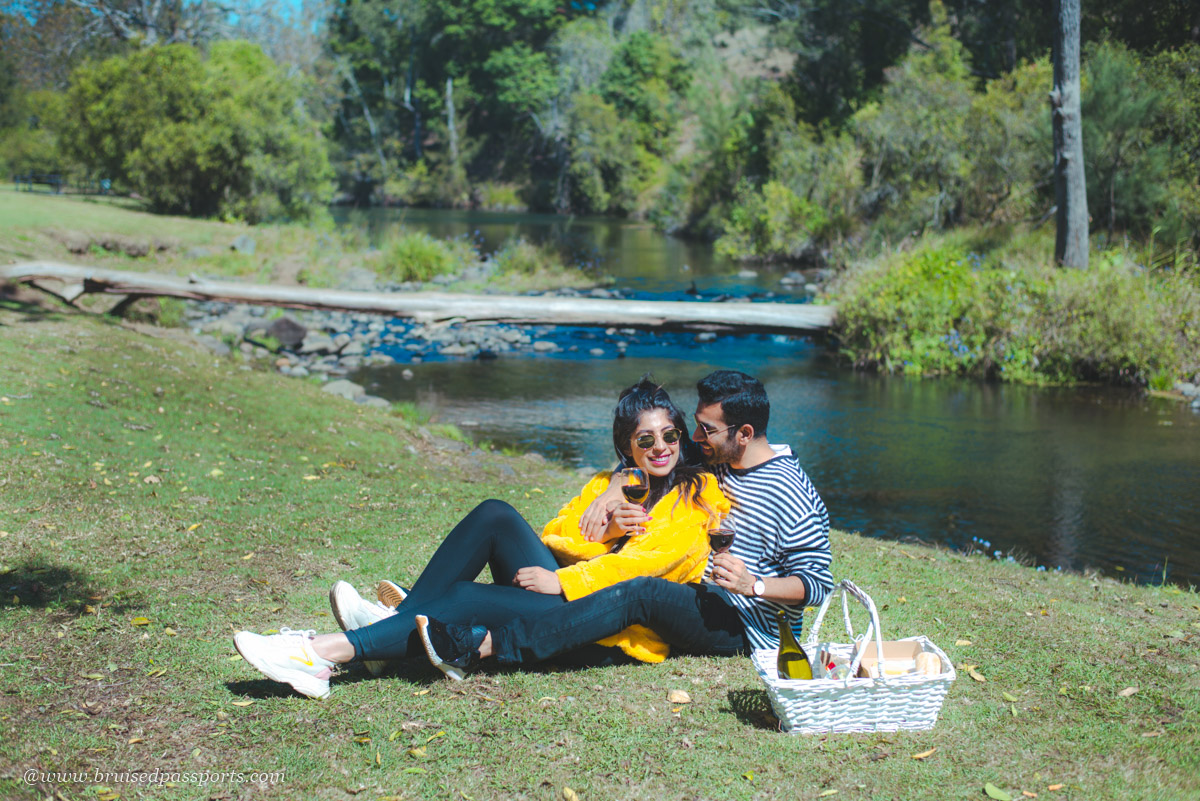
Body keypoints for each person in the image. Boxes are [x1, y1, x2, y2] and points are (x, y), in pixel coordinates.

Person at [232, 377, 729, 698]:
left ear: (681, 439)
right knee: (495, 514)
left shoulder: (695, 489)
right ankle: (392, 627)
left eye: (670, 436)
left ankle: (321, 653)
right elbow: (554, 533)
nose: (661, 447)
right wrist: (606, 526)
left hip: (609, 624)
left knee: (465, 597)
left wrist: (566, 582)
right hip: (574, 587)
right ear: (627, 446)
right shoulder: (609, 483)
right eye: (646, 440)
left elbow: (651, 566)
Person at [417, 370, 833, 679]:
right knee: (499, 517)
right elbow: (646, 445)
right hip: (699, 595)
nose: (696, 439)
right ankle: (411, 620)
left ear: (743, 433)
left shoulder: (792, 493)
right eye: (697, 426)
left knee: (640, 592)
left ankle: (482, 644)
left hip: (747, 627)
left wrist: (753, 585)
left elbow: (817, 585)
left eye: (706, 430)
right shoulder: (717, 455)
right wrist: (614, 489)